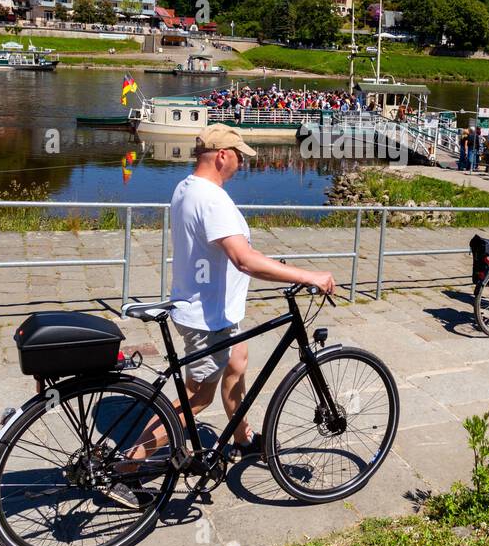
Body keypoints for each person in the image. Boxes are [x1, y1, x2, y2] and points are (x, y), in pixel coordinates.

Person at [110, 125, 335, 508]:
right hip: (205, 317)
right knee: (195, 402)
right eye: (240, 155)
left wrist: (272, 264)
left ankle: (243, 438)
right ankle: (127, 469)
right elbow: (242, 259)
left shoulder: (185, 188)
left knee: (238, 361)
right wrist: (307, 275)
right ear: (222, 156)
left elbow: (225, 248)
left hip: (207, 308)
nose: (243, 163)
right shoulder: (213, 199)